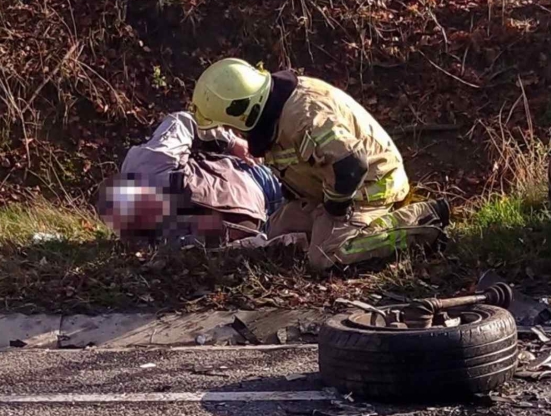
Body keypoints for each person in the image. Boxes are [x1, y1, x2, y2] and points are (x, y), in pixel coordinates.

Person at [190, 58, 449, 270]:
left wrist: (334, 210)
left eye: (228, 124)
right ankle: (326, 230)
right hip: (325, 187)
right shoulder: (273, 112)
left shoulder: (306, 115)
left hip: (367, 187)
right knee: (278, 235)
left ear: (243, 110)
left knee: (326, 256)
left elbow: (351, 165)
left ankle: (424, 221)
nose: (231, 131)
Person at [98, 111, 285, 247]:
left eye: (139, 204)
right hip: (268, 219)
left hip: (255, 174)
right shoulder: (151, 237)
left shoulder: (150, 163)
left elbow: (185, 121)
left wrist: (232, 142)